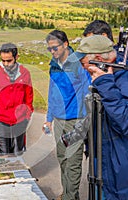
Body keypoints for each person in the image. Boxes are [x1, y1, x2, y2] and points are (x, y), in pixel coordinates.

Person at [69, 35, 128, 199]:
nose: (82, 68)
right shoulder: (109, 78)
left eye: (83, 63)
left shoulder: (127, 81)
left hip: (122, 170)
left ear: (97, 59)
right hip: (108, 165)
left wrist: (105, 84)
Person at [44, 30, 91, 200]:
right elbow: (52, 92)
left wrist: (86, 120)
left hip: (76, 118)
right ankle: (67, 194)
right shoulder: (53, 65)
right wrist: (49, 118)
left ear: (65, 44)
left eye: (55, 48)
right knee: (62, 158)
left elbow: (88, 92)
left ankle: (70, 197)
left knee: (73, 161)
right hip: (58, 119)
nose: (52, 52)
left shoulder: (79, 64)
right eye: (49, 49)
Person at [0, 43, 34, 157]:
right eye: (3, 61)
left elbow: (29, 95)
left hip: (20, 119)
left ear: (17, 57)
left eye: (9, 60)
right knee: (3, 155)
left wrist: (27, 114)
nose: (6, 64)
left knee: (18, 153)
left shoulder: (25, 73)